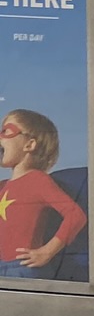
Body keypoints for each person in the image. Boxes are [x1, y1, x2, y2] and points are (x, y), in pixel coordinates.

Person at [0, 109, 86, 278]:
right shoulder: (3, 185)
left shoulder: (37, 180)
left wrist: (48, 251)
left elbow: (76, 215)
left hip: (23, 268)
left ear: (29, 145)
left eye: (6, 131)